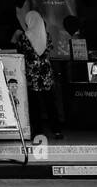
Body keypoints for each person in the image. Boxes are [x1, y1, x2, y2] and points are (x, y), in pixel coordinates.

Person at [12, 10, 63, 139]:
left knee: (35, 104)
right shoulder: (47, 35)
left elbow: (21, 50)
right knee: (50, 102)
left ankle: (38, 130)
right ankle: (56, 130)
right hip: (46, 73)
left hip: (32, 73)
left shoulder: (24, 36)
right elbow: (50, 49)